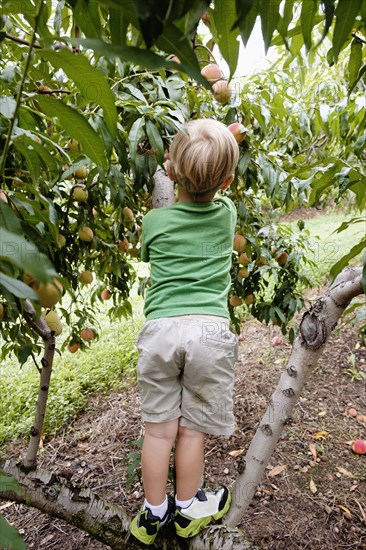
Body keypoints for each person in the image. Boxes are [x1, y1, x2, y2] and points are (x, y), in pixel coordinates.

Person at [130, 118, 240, 545]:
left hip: (159, 330)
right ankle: (190, 506)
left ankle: (153, 511)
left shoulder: (155, 222)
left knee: (159, 430)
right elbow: (212, 179)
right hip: (209, 331)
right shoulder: (226, 214)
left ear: (170, 170)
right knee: (192, 429)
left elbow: (149, 251)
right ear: (227, 182)